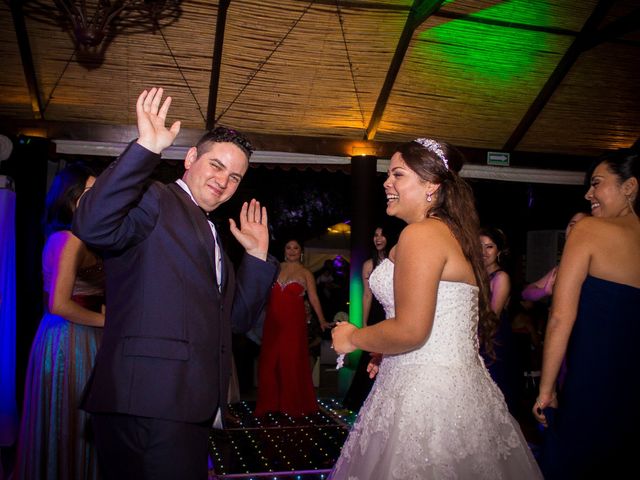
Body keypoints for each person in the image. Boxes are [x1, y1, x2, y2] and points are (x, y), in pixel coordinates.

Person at [72, 88, 278, 480]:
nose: (224, 181)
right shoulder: (155, 197)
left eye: (234, 177)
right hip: (147, 400)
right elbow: (92, 224)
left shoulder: (214, 232)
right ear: (189, 159)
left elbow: (232, 322)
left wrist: (254, 257)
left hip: (187, 404)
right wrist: (146, 148)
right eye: (216, 166)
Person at [330, 138, 542, 479]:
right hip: (426, 382)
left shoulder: (422, 234)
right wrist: (384, 349)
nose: (387, 182)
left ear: (431, 186)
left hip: (427, 398)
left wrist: (353, 337)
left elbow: (412, 330)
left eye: (398, 175)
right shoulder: (445, 234)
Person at [533, 149, 640, 479]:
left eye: (596, 184)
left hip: (595, 383)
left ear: (629, 186)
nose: (587, 194)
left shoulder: (590, 230)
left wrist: (546, 390)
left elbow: (560, 317)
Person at [13, 165, 104, 480]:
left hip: (79, 336)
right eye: (89, 193)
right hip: (69, 340)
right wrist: (107, 320)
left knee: (78, 421)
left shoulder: (80, 236)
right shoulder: (68, 240)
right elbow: (58, 304)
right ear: (69, 198)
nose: (96, 199)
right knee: (72, 421)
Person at [255, 239, 329, 417]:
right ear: (284, 250)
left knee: (291, 361)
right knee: (270, 362)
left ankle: (291, 404)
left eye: (296, 248)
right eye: (288, 247)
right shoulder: (275, 268)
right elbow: (262, 292)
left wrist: (322, 320)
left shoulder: (305, 273)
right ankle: (270, 403)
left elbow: (314, 298)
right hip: (273, 323)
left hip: (293, 325)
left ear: (301, 252)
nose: (292, 251)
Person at [342, 225, 395, 412]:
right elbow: (366, 295)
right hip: (375, 314)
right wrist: (364, 324)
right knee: (370, 357)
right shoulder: (367, 264)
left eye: (382, 235)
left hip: (394, 312)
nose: (377, 238)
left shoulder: (399, 261)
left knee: (391, 355)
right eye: (375, 235)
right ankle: (363, 401)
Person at [479, 226, 518, 415]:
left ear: (499, 251)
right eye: (480, 246)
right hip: (476, 336)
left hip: (492, 340)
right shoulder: (474, 275)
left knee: (493, 391)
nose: (484, 252)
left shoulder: (501, 277)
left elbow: (493, 316)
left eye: (489, 247)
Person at [521, 211, 589, 302]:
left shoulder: (593, 265)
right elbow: (525, 293)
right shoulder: (562, 265)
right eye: (572, 224)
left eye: (581, 226)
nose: (574, 228)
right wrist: (544, 291)